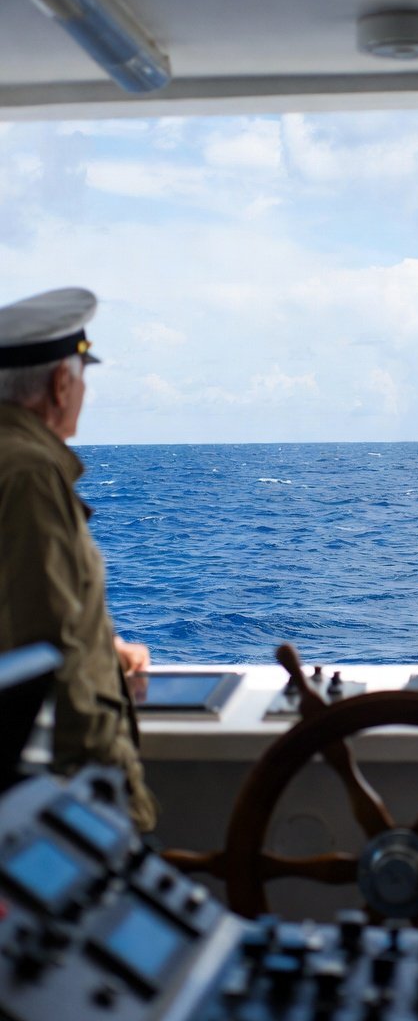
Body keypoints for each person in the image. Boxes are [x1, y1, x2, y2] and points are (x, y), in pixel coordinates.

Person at [0, 287, 157, 832]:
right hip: (62, 799)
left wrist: (107, 649)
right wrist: (110, 792)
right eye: (81, 377)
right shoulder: (30, 475)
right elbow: (51, 642)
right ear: (61, 383)